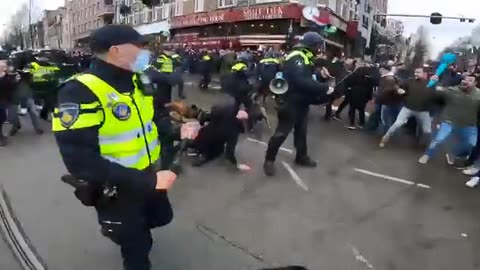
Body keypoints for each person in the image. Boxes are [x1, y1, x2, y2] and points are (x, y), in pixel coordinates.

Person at [52, 25, 189, 270]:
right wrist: (147, 182)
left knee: (158, 218)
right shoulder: (79, 91)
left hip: (150, 172)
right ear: (116, 51)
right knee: (134, 246)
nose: (144, 52)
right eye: (138, 46)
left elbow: (153, 118)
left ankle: (137, 238)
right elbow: (80, 161)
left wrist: (178, 130)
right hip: (118, 186)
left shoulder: (138, 80)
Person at [263, 32, 333, 176]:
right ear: (312, 45)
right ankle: (269, 160)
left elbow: (306, 77)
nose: (319, 49)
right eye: (317, 46)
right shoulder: (297, 57)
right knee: (281, 133)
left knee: (301, 133)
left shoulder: (305, 57)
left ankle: (301, 157)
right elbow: (301, 81)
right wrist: (325, 88)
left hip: (301, 102)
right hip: (290, 103)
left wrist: (320, 76)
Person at [418, 73, 480, 165]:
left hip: (469, 124)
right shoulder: (452, 90)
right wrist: (433, 82)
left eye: (470, 80)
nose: (466, 81)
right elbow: (437, 91)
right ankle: (427, 154)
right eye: (465, 79)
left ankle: (453, 153)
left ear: (475, 83)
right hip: (450, 121)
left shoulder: (479, 94)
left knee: (472, 144)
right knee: (438, 139)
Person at [379, 67, 434, 147]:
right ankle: (385, 138)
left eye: (418, 72)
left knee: (427, 131)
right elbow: (397, 86)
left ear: (424, 74)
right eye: (415, 72)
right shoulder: (409, 81)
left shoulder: (430, 84)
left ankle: (427, 146)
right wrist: (399, 90)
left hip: (423, 111)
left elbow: (435, 96)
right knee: (397, 124)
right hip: (408, 108)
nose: (416, 74)